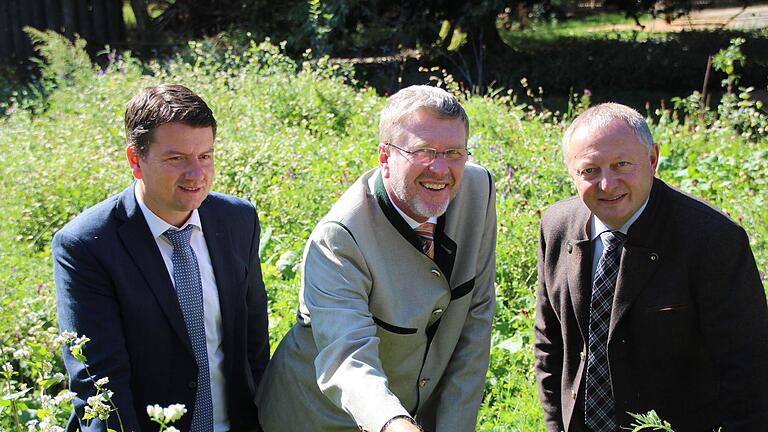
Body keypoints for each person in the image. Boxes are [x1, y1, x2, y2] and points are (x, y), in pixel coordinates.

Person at [256, 85, 497, 432]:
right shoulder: (338, 238)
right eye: (423, 151)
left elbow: (476, 316)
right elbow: (347, 357)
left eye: (454, 152)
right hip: (322, 418)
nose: (440, 169)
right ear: (385, 157)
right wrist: (394, 423)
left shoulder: (479, 189)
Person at [534, 102, 768, 431]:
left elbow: (748, 369)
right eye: (589, 170)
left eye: (621, 165)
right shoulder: (557, 226)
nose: (607, 184)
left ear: (653, 159)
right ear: (571, 171)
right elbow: (549, 342)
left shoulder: (712, 239)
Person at [53, 84, 270, 432]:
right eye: (177, 158)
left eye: (205, 156)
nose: (197, 174)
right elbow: (99, 383)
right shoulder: (87, 245)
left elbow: (254, 346)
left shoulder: (237, 220)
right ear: (135, 161)